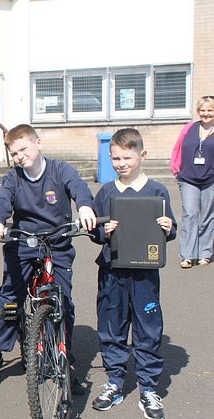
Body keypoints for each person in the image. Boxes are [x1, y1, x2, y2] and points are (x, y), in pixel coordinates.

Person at [0, 124, 96, 391]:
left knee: (63, 302)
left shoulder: (61, 170)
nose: (20, 156)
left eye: (23, 149)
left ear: (38, 143)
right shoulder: (13, 178)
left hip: (56, 242)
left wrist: (84, 206)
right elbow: (2, 201)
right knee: (9, 298)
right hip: (23, 242)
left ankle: (64, 359)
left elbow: (79, 188)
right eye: (14, 153)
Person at [90, 128, 175, 419]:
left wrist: (168, 228)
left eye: (127, 157)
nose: (121, 163)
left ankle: (148, 388)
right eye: (115, 158)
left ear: (142, 155)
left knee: (148, 329)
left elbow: (170, 230)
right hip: (112, 272)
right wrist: (103, 231)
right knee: (112, 327)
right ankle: (114, 381)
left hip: (145, 275)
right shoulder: (106, 192)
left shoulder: (157, 191)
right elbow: (96, 234)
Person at [170, 96, 214, 268]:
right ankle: (188, 255)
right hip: (189, 178)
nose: (206, 114)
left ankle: (205, 253)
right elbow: (178, 148)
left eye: (210, 110)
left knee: (207, 217)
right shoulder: (189, 128)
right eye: (203, 110)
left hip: (211, 179)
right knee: (190, 214)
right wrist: (176, 170)